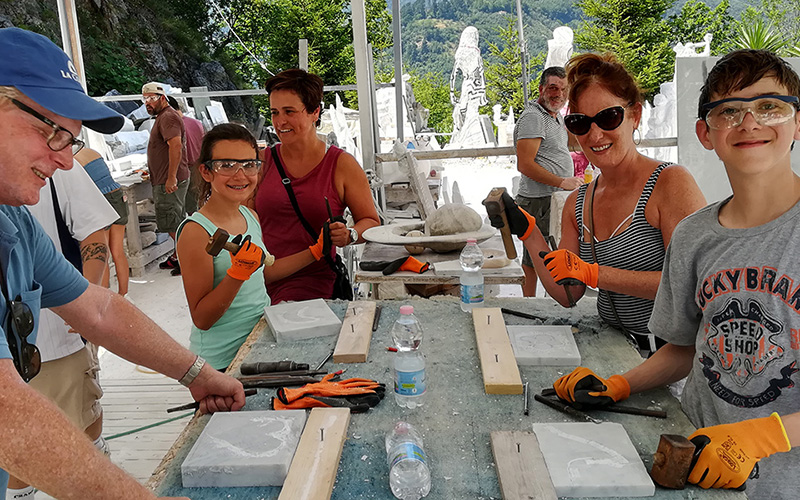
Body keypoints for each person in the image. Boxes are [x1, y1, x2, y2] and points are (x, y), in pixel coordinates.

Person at [0, 27, 243, 499]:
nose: (66, 162)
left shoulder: (13, 221)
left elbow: (99, 309)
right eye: (52, 133)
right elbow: (7, 410)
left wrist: (197, 373)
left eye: (70, 140)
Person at [550, 49, 800, 497]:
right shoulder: (694, 235)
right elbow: (685, 347)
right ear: (705, 133)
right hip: (695, 461)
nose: (749, 123)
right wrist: (621, 383)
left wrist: (766, 436)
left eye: (769, 107)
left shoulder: (670, 185)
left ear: (797, 122)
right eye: (729, 112)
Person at [492, 53, 706, 356]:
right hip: (612, 350)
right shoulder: (579, 202)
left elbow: (691, 283)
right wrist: (530, 233)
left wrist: (594, 273)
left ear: (635, 115)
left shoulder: (670, 183)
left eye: (608, 117)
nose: (594, 134)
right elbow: (567, 293)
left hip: (670, 358)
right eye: (580, 123)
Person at [11, 163, 119, 500]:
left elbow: (93, 234)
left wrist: (86, 299)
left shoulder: (58, 165)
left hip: (57, 342)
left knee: (83, 435)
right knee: (15, 457)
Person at [252, 69, 379, 303]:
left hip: (311, 285)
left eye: (289, 111)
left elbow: (371, 222)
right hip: (257, 281)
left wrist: (349, 234)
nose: (280, 122)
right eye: (274, 112)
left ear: (314, 112)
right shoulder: (261, 161)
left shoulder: (341, 165)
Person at [176, 124, 270, 371]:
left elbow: (263, 271)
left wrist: (314, 252)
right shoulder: (196, 232)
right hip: (219, 365)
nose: (240, 175)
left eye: (249, 165)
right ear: (206, 172)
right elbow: (202, 318)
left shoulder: (250, 216)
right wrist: (237, 274)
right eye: (226, 165)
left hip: (258, 347)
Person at [513, 66, 584, 296]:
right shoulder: (534, 117)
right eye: (553, 88)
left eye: (564, 89)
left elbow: (569, 144)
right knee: (537, 255)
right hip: (538, 199)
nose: (559, 93)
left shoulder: (555, 116)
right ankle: (532, 302)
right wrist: (562, 182)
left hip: (549, 197)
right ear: (542, 89)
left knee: (538, 254)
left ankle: (535, 300)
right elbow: (524, 164)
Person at [142, 82, 189, 275]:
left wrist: (170, 178)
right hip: (167, 177)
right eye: (145, 99)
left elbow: (175, 146)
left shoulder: (167, 117)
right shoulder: (163, 117)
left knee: (172, 222)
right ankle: (181, 256)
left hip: (169, 181)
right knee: (176, 220)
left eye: (152, 98)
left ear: (163, 98)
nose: (148, 103)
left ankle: (185, 261)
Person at [74, 147, 130, 296]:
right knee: (118, 251)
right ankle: (124, 295)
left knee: (102, 255)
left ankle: (103, 299)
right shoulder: (92, 152)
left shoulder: (73, 160)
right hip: (117, 195)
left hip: (100, 199)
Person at [167, 95, 205, 215]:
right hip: (198, 166)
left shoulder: (173, 126)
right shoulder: (197, 123)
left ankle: (187, 231)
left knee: (179, 209)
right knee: (196, 204)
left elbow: (176, 149)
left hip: (183, 169)